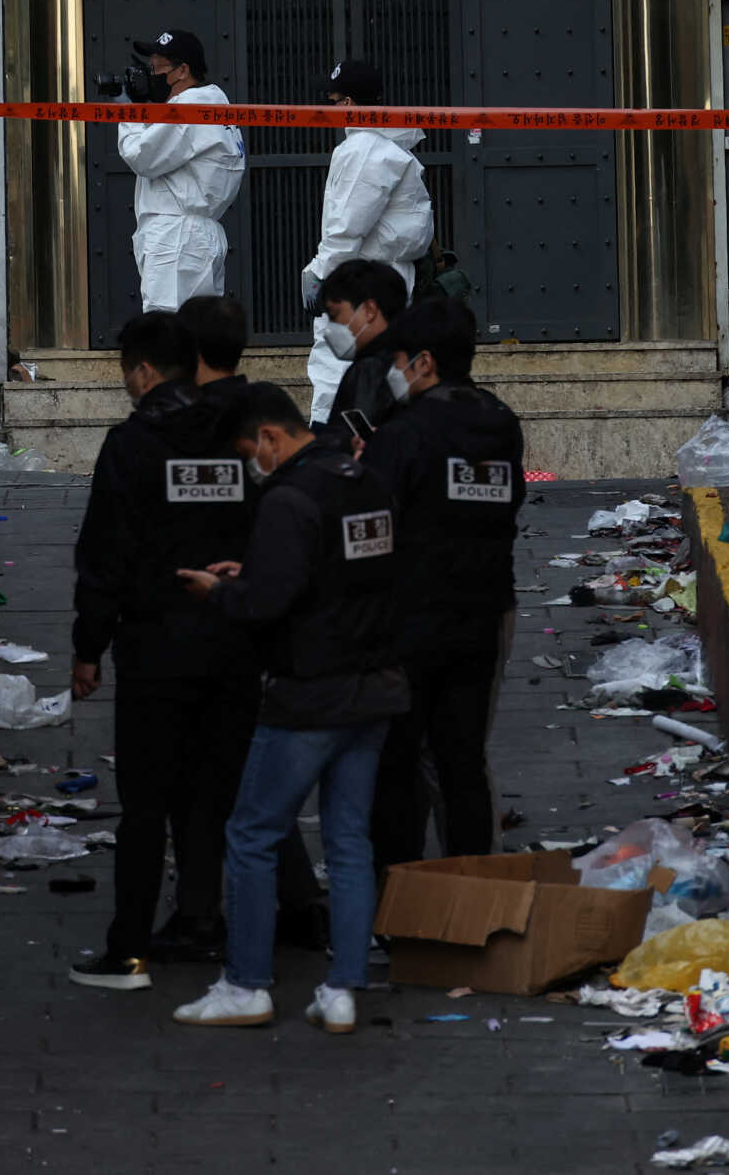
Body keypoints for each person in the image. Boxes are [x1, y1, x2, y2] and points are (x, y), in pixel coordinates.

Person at [172, 384, 407, 1032]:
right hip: (377, 683)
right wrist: (256, 570)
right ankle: (343, 988)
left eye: (252, 451)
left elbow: (265, 605)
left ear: (271, 438)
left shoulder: (288, 497)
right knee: (350, 839)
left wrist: (220, 590)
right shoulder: (366, 479)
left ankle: (246, 982)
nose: (254, 462)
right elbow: (338, 571)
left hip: (310, 691)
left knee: (251, 833)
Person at [67, 313, 258, 989]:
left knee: (146, 802)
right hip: (233, 641)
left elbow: (103, 555)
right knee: (210, 797)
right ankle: (202, 921)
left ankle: (128, 946)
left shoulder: (133, 443)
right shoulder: (239, 434)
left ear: (143, 371)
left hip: (154, 648)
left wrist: (88, 646)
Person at [174, 293, 334, 951]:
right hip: (287, 637)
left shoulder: (185, 427)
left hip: (220, 619)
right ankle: (305, 910)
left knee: (217, 784)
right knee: (264, 781)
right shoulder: (296, 440)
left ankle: (215, 930)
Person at [359, 299, 524, 872]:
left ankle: (400, 898)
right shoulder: (499, 422)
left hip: (409, 623)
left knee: (397, 763)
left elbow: (373, 523)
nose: (395, 372)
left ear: (424, 362)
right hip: (480, 615)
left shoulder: (402, 434)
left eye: (400, 361)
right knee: (461, 761)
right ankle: (470, 890)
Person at [300, 60, 434, 425]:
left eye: (330, 102)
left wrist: (319, 271)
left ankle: (332, 451)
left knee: (336, 371)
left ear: (346, 105)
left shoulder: (363, 149)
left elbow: (346, 227)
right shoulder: (386, 146)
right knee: (379, 373)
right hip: (383, 275)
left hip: (360, 279)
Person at [116, 30, 247, 313]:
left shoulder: (189, 106)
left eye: (156, 69)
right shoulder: (214, 104)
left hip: (176, 237)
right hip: (197, 234)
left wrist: (128, 111)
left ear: (183, 71)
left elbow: (140, 155)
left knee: (166, 334)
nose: (150, 77)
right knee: (197, 336)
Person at [319, 258, 410, 447]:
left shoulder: (370, 369)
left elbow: (354, 441)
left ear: (369, 310)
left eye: (335, 315)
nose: (331, 328)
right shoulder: (411, 360)